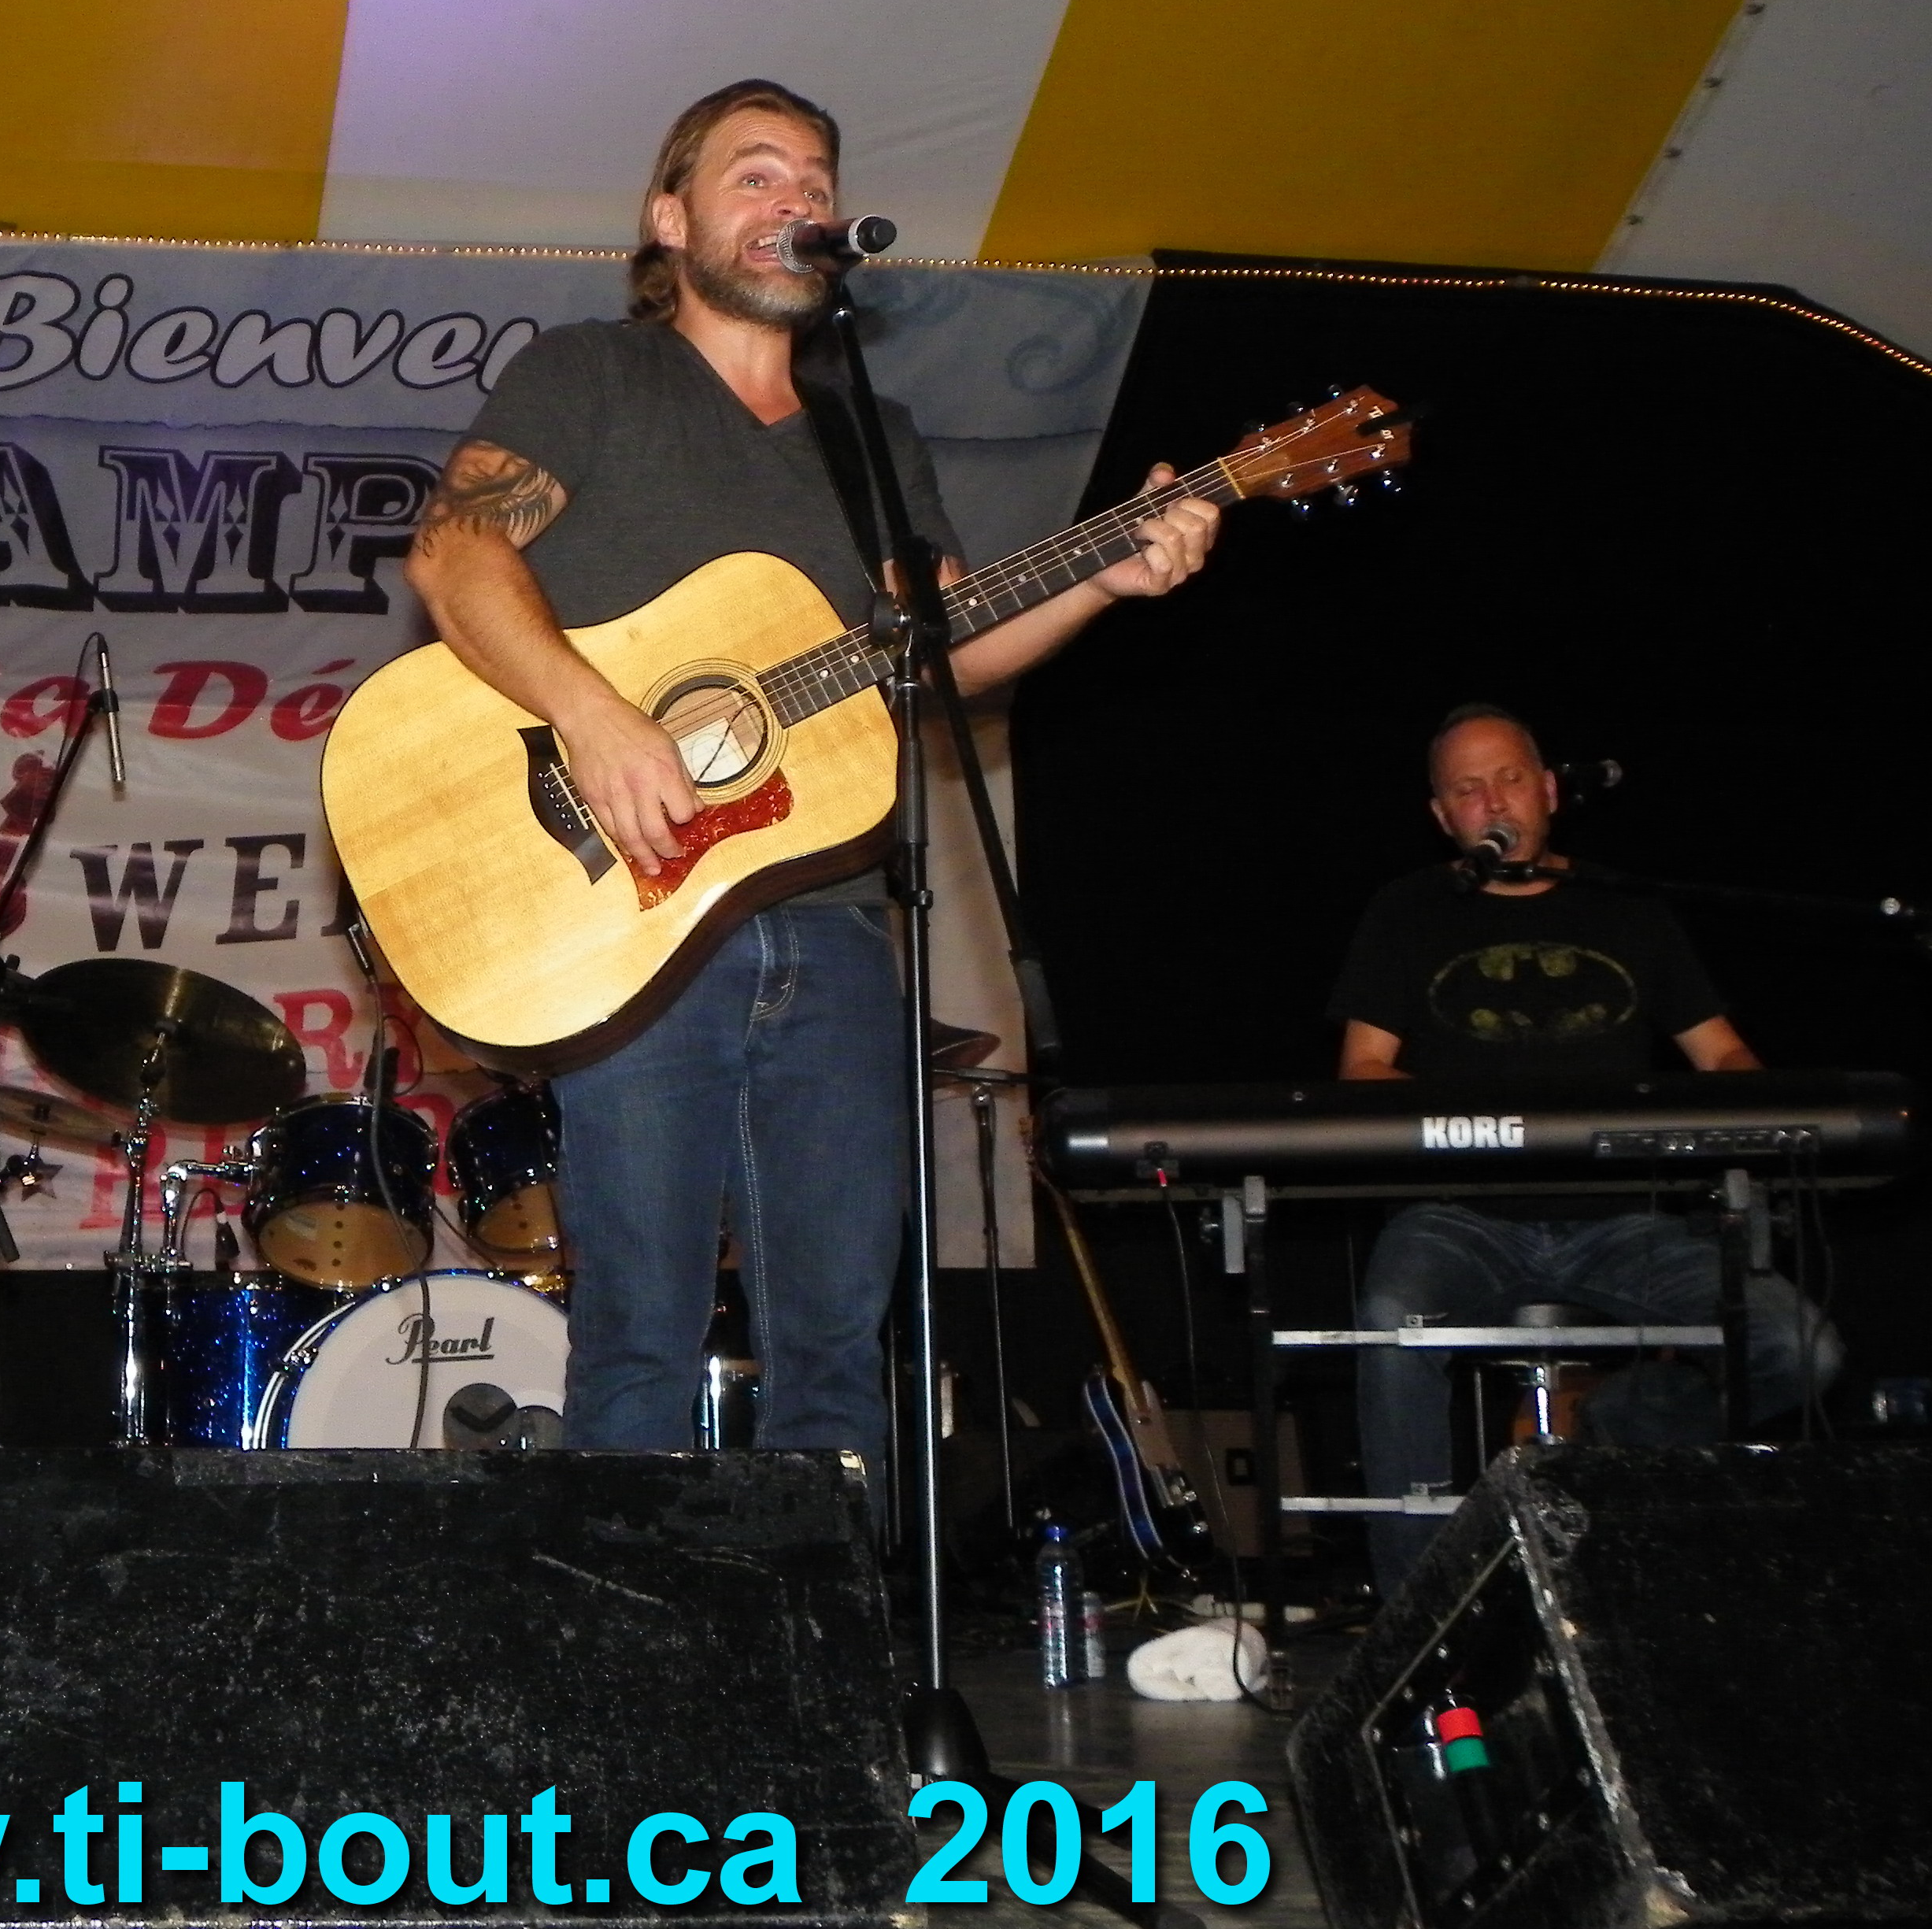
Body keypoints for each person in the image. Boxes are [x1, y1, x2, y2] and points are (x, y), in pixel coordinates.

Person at [402, 78, 1220, 1455]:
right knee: (642, 1339)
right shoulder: (593, 374)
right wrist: (598, 717)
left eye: (815, 182)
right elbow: (453, 551)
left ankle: (825, 1597)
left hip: (835, 923)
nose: (797, 200)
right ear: (671, 220)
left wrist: (1105, 575)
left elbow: (946, 650)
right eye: (757, 174)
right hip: (638, 921)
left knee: (842, 1351)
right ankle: (638, 1602)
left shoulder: (869, 440)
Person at [1331, 704, 1840, 1591]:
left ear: (1550, 791)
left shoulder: (1627, 907)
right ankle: (1421, 1607)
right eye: (1468, 789)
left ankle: (1620, 1423)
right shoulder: (1407, 910)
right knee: (1389, 1321)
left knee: (1800, 1346)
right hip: (1458, 1216)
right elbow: (1362, 1068)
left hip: (1628, 1218)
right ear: (1443, 817)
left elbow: (1720, 1052)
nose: (1493, 801)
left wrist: (1763, 1113)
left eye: (1509, 779)